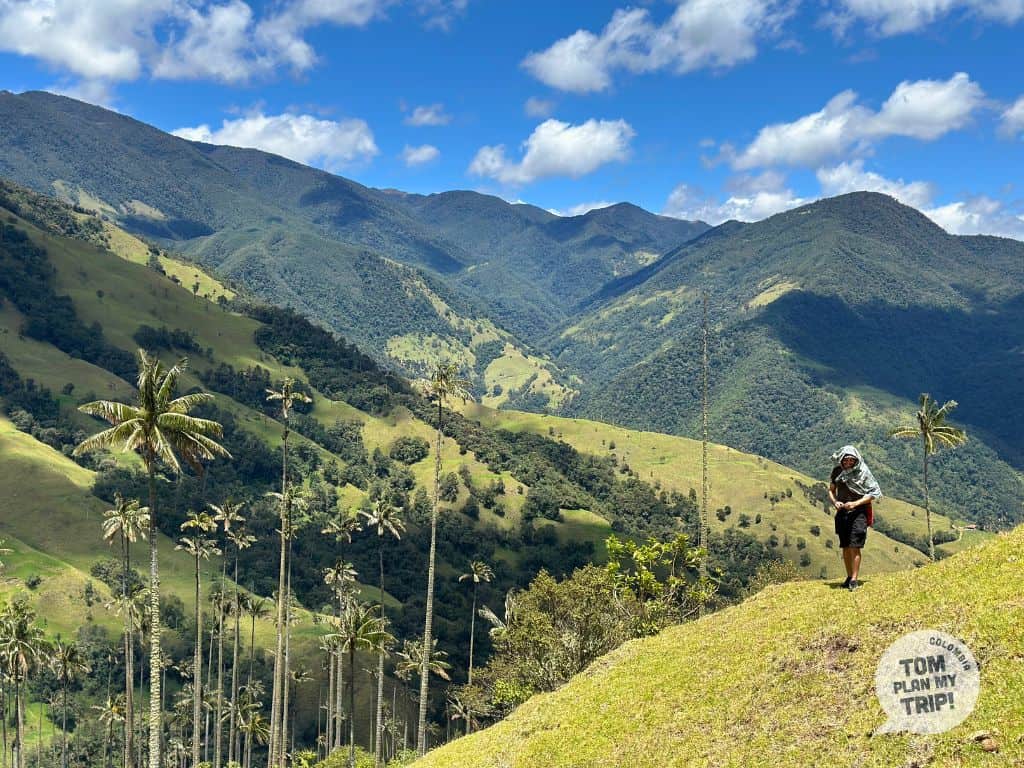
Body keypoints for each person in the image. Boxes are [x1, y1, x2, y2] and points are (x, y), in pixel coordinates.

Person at [829, 445, 882, 591]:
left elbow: (873, 493)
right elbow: (831, 490)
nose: (848, 463)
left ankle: (854, 578)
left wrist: (855, 503)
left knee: (855, 546)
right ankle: (848, 576)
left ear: (856, 460)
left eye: (851, 460)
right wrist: (835, 502)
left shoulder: (863, 472)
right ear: (841, 459)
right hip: (842, 513)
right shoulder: (837, 471)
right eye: (846, 460)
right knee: (845, 546)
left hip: (859, 513)